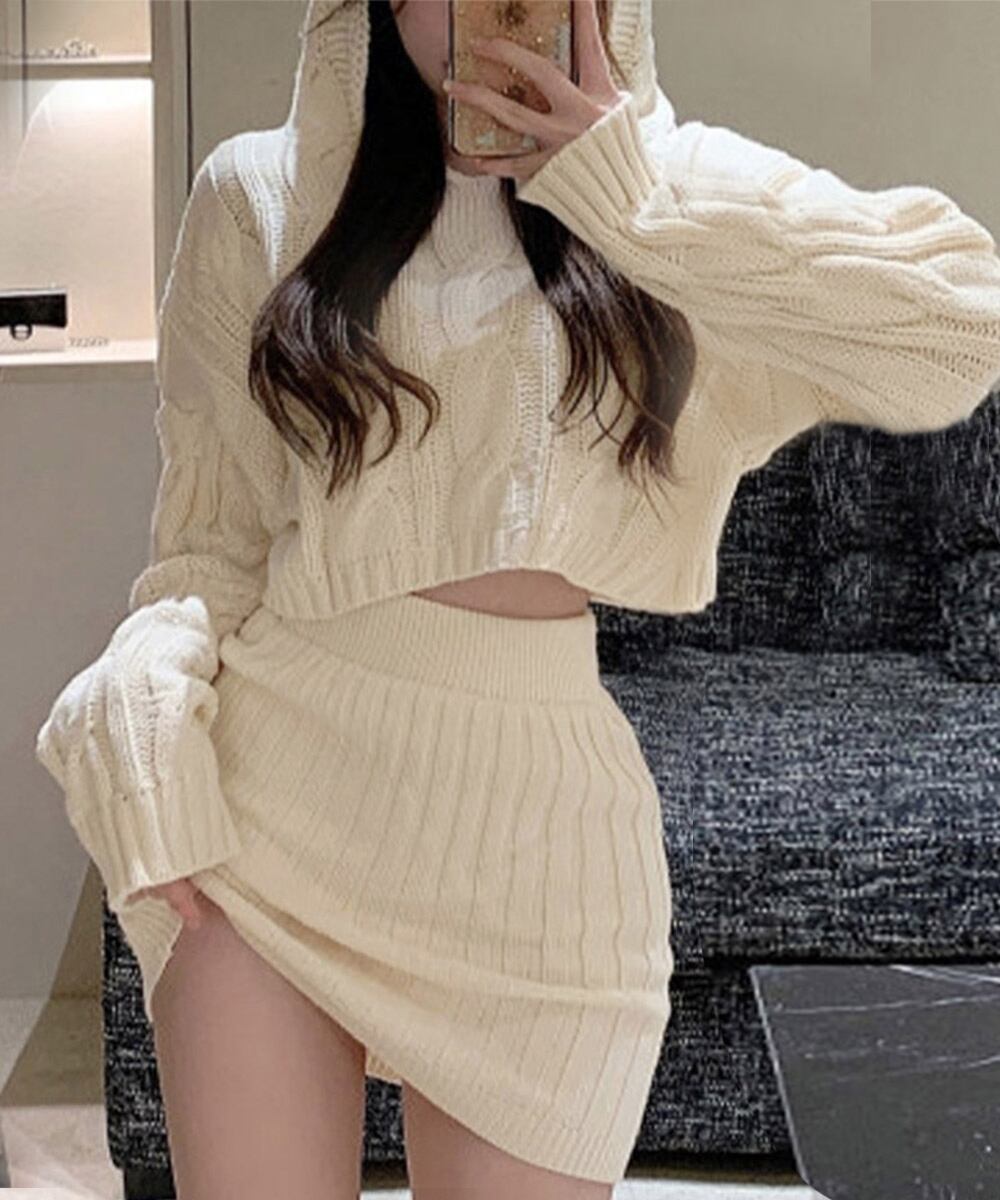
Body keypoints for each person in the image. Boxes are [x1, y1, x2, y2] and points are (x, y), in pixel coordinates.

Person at [34, 0, 1000, 1196]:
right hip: (274, 806)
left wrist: (623, 191)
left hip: (540, 846)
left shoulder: (666, 190)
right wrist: (139, 690)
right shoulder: (258, 194)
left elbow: (960, 326)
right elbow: (205, 559)